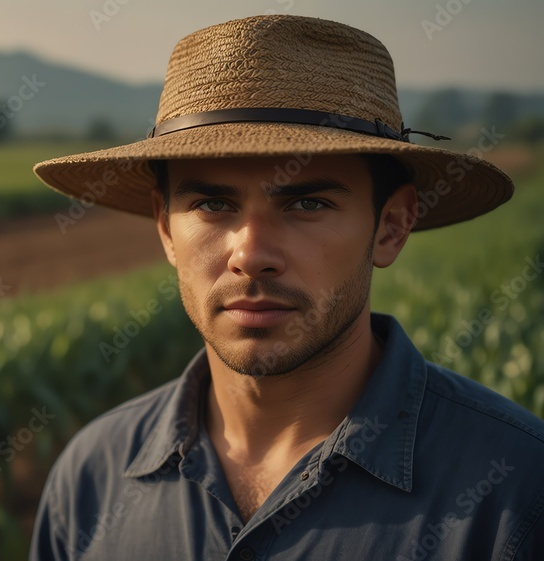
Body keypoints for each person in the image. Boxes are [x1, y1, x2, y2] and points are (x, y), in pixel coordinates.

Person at [28, 14, 544, 561]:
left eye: (308, 204)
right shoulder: (91, 479)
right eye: (212, 205)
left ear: (391, 227)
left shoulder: (516, 490)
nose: (251, 256)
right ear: (165, 229)